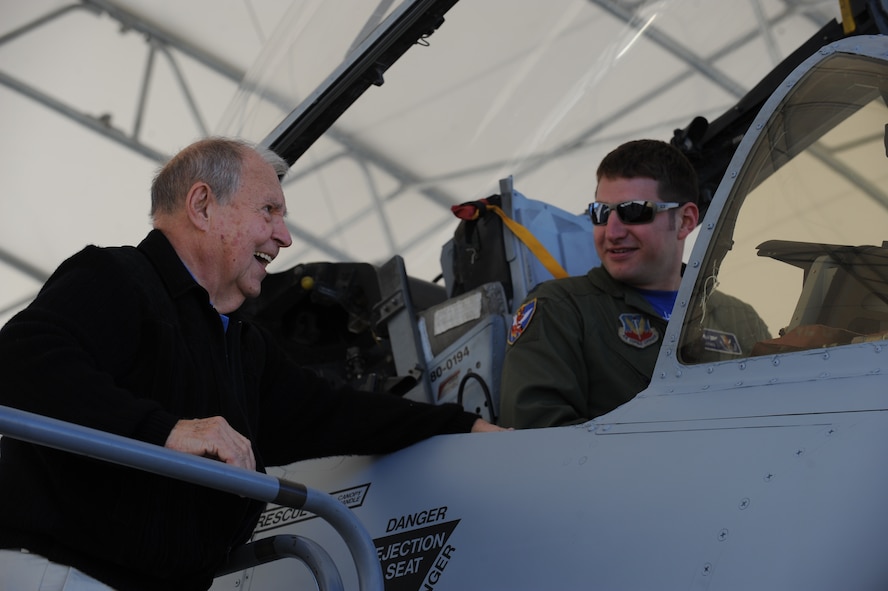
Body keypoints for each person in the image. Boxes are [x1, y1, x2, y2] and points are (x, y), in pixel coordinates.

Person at [0, 137, 502, 591]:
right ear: (202, 206)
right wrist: (169, 431)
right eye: (268, 211)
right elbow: (20, 362)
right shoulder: (113, 277)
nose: (284, 237)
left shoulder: (242, 346)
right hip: (59, 570)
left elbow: (334, 412)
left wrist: (462, 424)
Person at [498, 139, 768, 429]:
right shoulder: (561, 310)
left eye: (634, 211)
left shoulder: (741, 319)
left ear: (686, 220)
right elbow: (536, 441)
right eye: (601, 213)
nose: (611, 232)